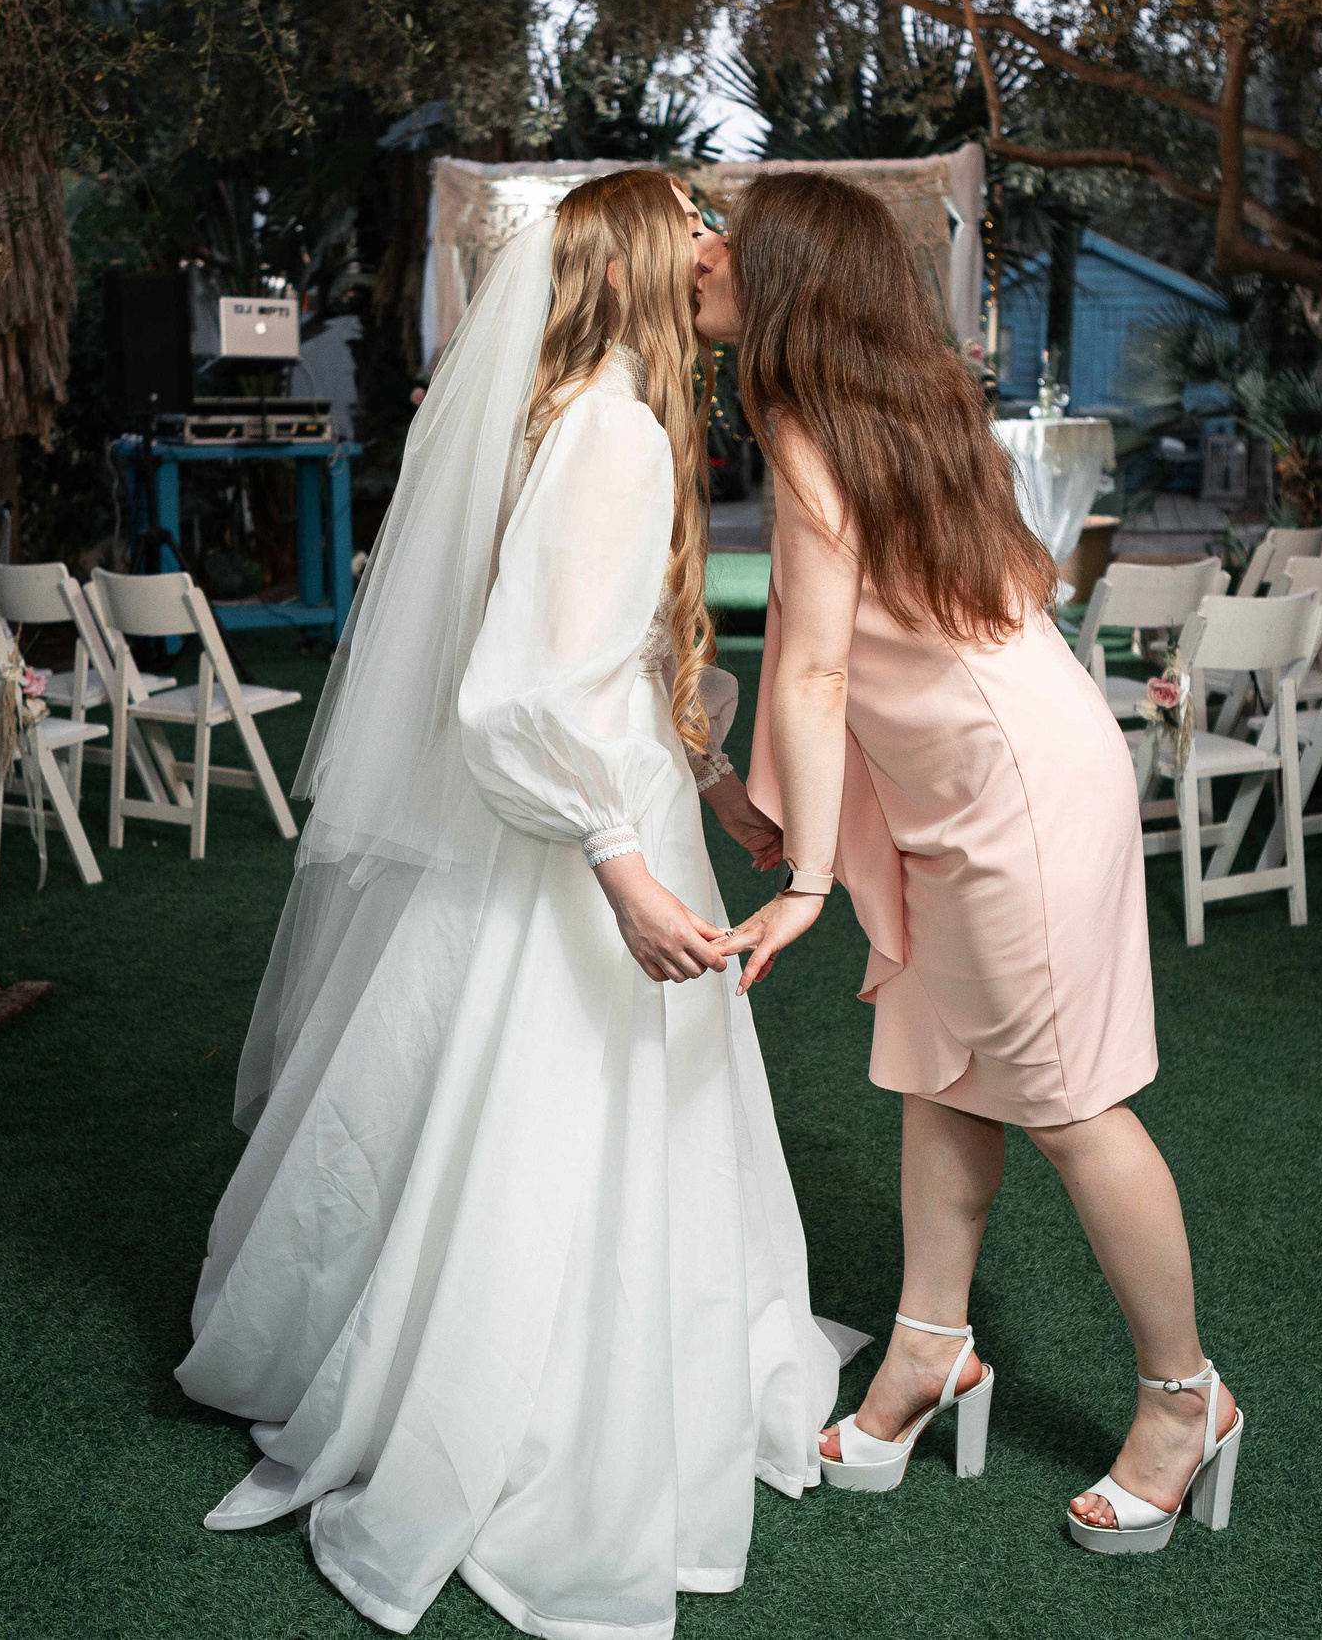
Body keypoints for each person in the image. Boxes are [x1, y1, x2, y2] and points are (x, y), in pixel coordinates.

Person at [174, 168, 842, 1636]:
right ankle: (528, 1402)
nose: (715, 246)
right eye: (693, 228)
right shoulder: (611, 432)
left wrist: (713, 788)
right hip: (580, 828)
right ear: (634, 268)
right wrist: (620, 859)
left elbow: (592, 660)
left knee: (512, 1102)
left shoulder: (576, 412)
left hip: (594, 801)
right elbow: (521, 691)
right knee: (565, 1105)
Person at [703, 171, 1246, 1555]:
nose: (702, 251)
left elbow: (817, 671)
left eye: (726, 238)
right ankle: (928, 1350)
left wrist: (813, 878)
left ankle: (1188, 1402)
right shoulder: (887, 407)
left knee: (1070, 1106)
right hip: (975, 774)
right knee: (943, 1073)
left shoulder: (812, 425)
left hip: (1008, 794)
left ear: (783, 285)